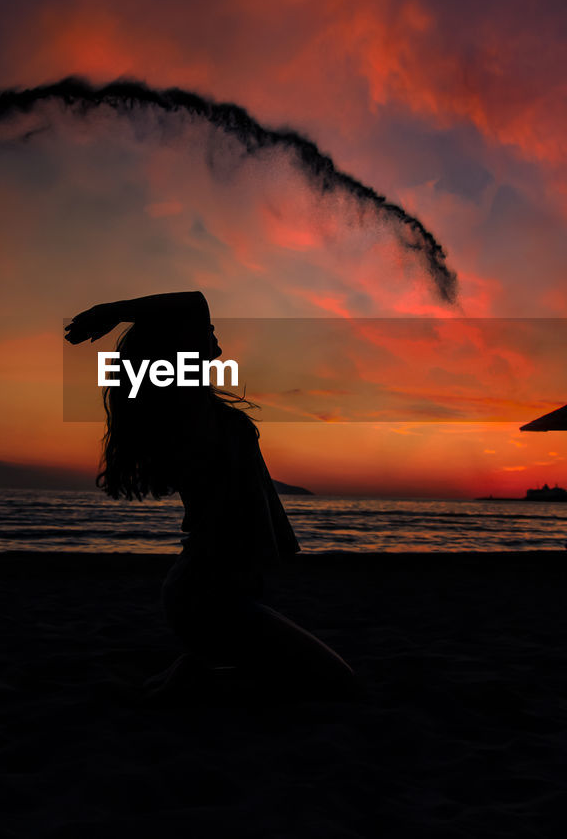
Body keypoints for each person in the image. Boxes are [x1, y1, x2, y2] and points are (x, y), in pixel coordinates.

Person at [64, 291, 355, 701]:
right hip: (207, 596)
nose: (211, 328)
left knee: (305, 682)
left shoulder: (200, 408)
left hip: (216, 590)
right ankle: (189, 680)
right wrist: (110, 313)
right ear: (174, 349)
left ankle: (192, 677)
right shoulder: (185, 408)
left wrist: (280, 538)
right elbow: (194, 302)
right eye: (200, 330)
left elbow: (252, 484)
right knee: (338, 687)